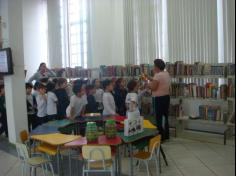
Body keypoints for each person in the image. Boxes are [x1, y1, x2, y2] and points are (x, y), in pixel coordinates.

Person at [147, 59, 171, 141]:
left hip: (158, 99)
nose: (153, 67)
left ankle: (160, 137)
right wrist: (149, 78)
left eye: (154, 66)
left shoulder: (157, 75)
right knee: (165, 117)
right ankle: (166, 135)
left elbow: (153, 87)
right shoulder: (166, 73)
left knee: (158, 118)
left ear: (157, 67)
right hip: (166, 98)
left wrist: (147, 84)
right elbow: (158, 82)